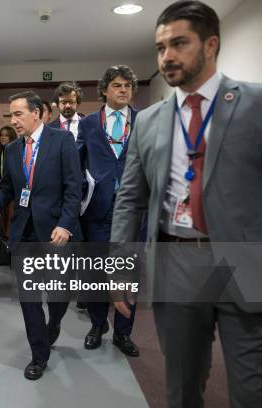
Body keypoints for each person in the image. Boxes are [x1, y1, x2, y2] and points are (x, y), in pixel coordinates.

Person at [111, 1, 262, 406]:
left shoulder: (254, 103)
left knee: (252, 390)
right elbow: (130, 198)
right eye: (160, 47)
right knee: (181, 385)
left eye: (179, 43)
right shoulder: (149, 120)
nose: (167, 56)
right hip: (176, 263)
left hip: (243, 263)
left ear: (211, 45)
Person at [0, 91, 82, 380]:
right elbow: (7, 187)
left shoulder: (62, 141)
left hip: (54, 232)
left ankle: (55, 323)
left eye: (18, 114)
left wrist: (65, 224)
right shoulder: (12, 150)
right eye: (11, 115)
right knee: (29, 298)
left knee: (59, 294)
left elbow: (74, 188)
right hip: (23, 232)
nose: (13, 120)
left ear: (36, 113)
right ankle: (39, 355)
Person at [77, 65, 141, 357]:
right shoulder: (89, 123)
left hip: (132, 210)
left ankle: (123, 333)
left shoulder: (144, 121)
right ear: (104, 89)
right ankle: (97, 325)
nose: (124, 89)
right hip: (97, 210)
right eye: (117, 85)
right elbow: (77, 163)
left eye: (128, 85)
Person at [0, 126, 18, 236]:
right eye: (1, 135)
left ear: (11, 137)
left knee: (10, 217)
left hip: (12, 190)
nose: (3, 138)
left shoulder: (16, 151)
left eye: (6, 135)